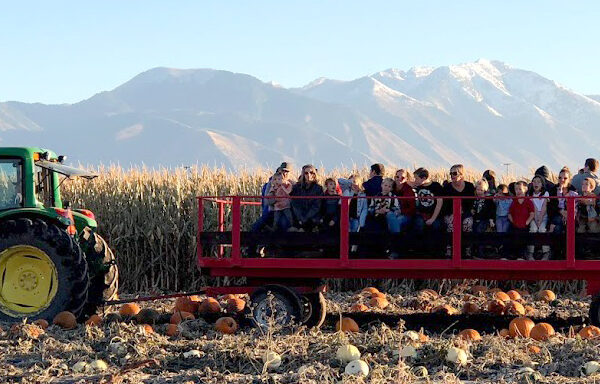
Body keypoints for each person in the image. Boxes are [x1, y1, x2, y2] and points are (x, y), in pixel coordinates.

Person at [251, 162, 292, 232]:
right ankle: (250, 237)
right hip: (273, 208)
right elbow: (267, 200)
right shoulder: (271, 183)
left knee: (286, 222)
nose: (284, 173)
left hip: (286, 208)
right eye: (283, 171)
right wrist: (278, 200)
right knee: (265, 218)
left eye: (287, 172)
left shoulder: (291, 183)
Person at [442, 164, 475, 233]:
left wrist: (463, 210)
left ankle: (466, 243)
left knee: (468, 222)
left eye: (454, 173)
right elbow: (445, 204)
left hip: (466, 212)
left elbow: (471, 202)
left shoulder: (469, 186)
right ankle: (451, 243)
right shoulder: (447, 188)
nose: (452, 175)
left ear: (461, 174)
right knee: (451, 223)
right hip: (451, 212)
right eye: (450, 173)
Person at [290, 164, 323, 232]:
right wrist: (300, 217)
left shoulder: (318, 188)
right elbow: (294, 204)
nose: (308, 175)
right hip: (298, 217)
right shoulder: (296, 187)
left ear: (314, 174)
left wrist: (306, 217)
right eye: (306, 173)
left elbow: (317, 206)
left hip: (313, 218)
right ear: (303, 174)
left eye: (311, 173)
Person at [509, 181, 535, 259]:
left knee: (523, 240)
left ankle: (521, 255)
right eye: (516, 189)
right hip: (515, 224)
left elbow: (532, 213)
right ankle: (513, 255)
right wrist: (513, 221)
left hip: (524, 225)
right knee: (514, 239)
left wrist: (527, 222)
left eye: (520, 189)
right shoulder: (514, 202)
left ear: (525, 189)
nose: (518, 191)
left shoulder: (528, 201)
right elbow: (509, 213)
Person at [412, 168, 444, 233]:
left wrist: (432, 219)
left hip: (434, 215)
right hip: (421, 215)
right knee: (418, 224)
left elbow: (439, 203)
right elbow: (407, 182)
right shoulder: (419, 186)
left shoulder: (436, 186)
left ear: (424, 178)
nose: (415, 181)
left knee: (436, 226)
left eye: (416, 178)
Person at [527, 175, 550, 260]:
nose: (536, 183)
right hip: (533, 215)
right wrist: (536, 219)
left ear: (542, 184)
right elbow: (533, 207)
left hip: (543, 215)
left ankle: (546, 252)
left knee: (542, 230)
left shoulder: (545, 193)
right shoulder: (530, 194)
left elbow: (544, 207)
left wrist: (540, 219)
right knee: (533, 229)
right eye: (534, 181)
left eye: (538, 182)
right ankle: (530, 253)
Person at [471, 179, 495, 258]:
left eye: (481, 190)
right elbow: (472, 207)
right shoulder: (474, 199)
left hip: (484, 219)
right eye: (478, 189)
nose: (479, 192)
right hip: (475, 218)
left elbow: (491, 210)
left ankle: (480, 251)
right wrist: (472, 210)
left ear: (485, 190)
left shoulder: (488, 199)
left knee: (480, 232)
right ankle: (473, 250)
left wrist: (491, 219)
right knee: (473, 232)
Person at [549, 167, 578, 233]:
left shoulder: (573, 190)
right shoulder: (553, 190)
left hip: (571, 215)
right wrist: (560, 211)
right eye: (560, 178)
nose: (562, 180)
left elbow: (576, 205)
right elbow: (551, 206)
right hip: (557, 215)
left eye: (565, 178)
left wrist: (568, 213)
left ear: (569, 179)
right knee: (557, 225)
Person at [387, 169, 416, 233]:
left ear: (406, 179)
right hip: (393, 212)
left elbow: (412, 209)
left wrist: (401, 211)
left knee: (398, 220)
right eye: (397, 177)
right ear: (394, 177)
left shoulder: (409, 190)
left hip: (406, 215)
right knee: (389, 215)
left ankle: (395, 239)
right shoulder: (391, 187)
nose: (399, 179)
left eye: (402, 177)